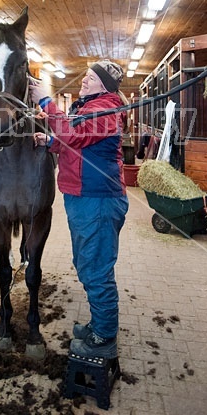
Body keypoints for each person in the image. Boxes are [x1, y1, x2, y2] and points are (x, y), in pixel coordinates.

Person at [30, 59, 129, 360]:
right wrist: (51, 142)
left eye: (89, 78)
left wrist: (46, 101)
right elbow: (76, 143)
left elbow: (74, 133)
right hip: (84, 197)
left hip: (96, 199)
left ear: (104, 85)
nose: (83, 81)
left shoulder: (107, 110)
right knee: (87, 263)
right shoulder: (89, 108)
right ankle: (99, 323)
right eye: (85, 76)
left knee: (95, 269)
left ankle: (104, 337)